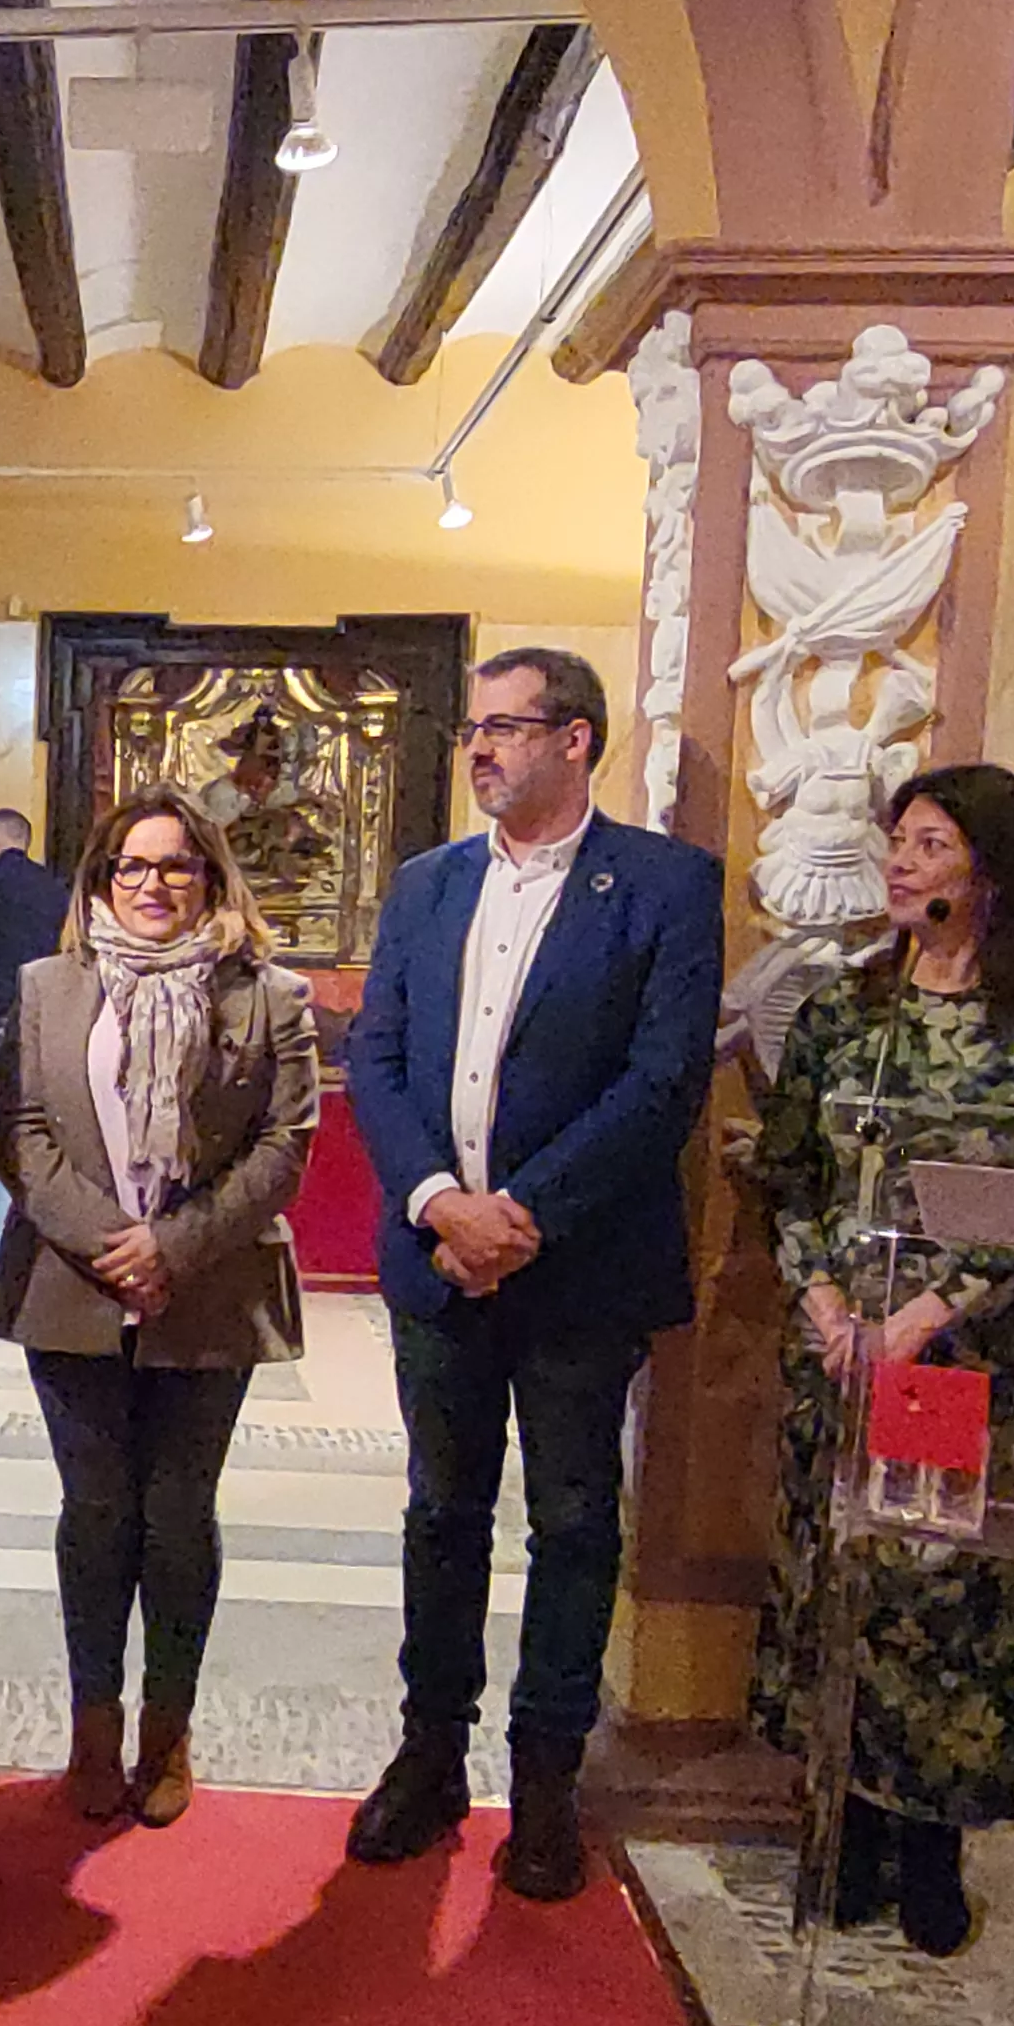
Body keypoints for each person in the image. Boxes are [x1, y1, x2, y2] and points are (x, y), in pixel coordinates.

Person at [340, 647, 725, 1900]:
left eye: (507, 727)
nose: (481, 748)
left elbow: (662, 1080)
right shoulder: (427, 884)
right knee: (440, 1513)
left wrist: (524, 1215)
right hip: (437, 1257)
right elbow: (374, 1057)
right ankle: (429, 1754)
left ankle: (546, 1776)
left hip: (578, 1269)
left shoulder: (663, 885)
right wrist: (437, 1201)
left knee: (571, 1520)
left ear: (576, 740)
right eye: (475, 727)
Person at [749, 764, 1014, 1957]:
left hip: (966, 1361)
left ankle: (931, 1845)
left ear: (993, 870)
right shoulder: (844, 1011)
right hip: (840, 1352)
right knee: (841, 1577)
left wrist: (927, 1312)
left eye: (930, 844)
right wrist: (819, 1295)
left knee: (946, 1594)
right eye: (897, 841)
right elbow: (788, 1170)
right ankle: (842, 1824)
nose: (901, 864)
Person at [0, 788, 317, 1827]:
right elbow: (21, 1133)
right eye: (130, 865)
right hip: (72, 1286)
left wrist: (171, 1245)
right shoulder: (45, 986)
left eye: (175, 864)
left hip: (210, 1286)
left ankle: (167, 1729)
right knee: (95, 1511)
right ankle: (93, 1724)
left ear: (210, 876)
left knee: (177, 1515)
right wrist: (109, 1243)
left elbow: (285, 1145)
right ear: (99, 879)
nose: (152, 883)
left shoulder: (266, 994)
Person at [0, 806, 72, 1281]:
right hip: (56, 1019)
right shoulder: (56, 888)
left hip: (11, 1017)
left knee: (1, 1136)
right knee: (48, 1136)